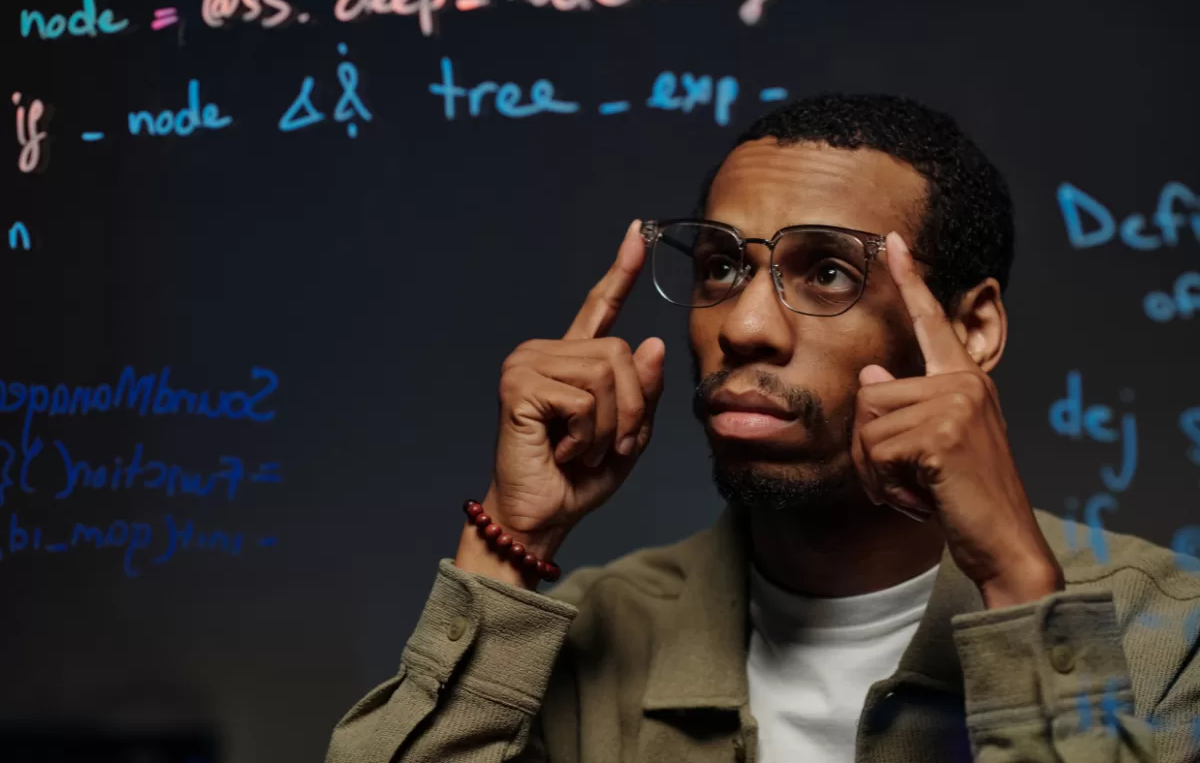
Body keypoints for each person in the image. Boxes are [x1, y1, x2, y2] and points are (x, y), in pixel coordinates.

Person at [325, 94, 1200, 763]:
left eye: (825, 272)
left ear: (972, 330)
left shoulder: (1167, 631)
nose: (744, 325)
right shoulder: (588, 635)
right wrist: (509, 541)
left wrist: (1017, 586)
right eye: (720, 267)